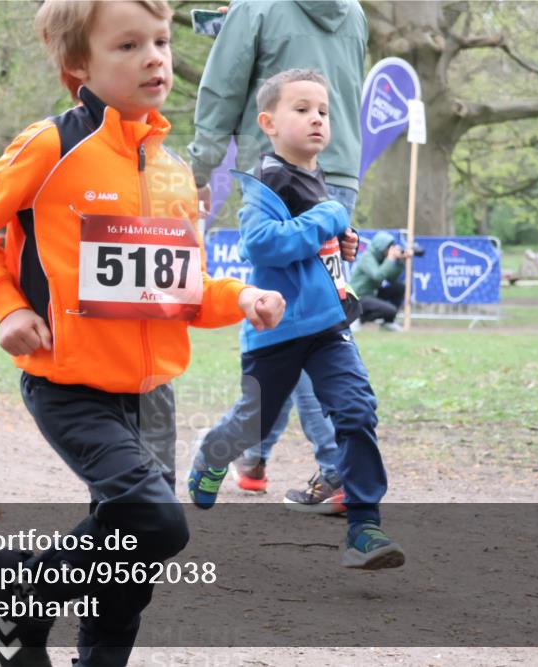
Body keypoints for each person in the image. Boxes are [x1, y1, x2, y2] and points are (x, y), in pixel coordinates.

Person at [0, 2, 285, 665]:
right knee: (156, 522)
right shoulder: (52, 145)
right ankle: (28, 593)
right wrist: (7, 305)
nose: (155, 56)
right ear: (79, 67)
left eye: (159, 40)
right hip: (69, 386)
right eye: (128, 45)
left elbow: (181, 293)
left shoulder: (171, 174)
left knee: (132, 565)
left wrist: (242, 295)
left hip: (151, 394)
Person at [187, 69, 405, 570]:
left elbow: (313, 243)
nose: (317, 120)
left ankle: (364, 527)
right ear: (267, 122)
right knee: (253, 423)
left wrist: (342, 241)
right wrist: (327, 219)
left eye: (323, 112)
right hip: (276, 331)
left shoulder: (314, 175)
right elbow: (261, 245)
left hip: (329, 328)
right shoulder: (268, 180)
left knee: (356, 412)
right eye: (302, 109)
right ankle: (214, 454)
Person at [186, 0, 367, 503]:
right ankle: (257, 456)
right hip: (338, 173)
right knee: (310, 318)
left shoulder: (257, 7)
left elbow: (222, 88)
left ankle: (331, 468)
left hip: (276, 173)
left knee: (299, 321)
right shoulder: (353, 12)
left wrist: (198, 169)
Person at [349, 231, 414, 332]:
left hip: (372, 294)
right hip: (358, 298)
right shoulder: (367, 257)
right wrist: (390, 259)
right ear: (381, 247)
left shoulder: (382, 258)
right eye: (389, 247)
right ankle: (357, 319)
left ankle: (388, 322)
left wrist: (400, 262)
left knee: (399, 288)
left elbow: (391, 278)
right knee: (391, 310)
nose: (391, 250)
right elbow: (378, 276)